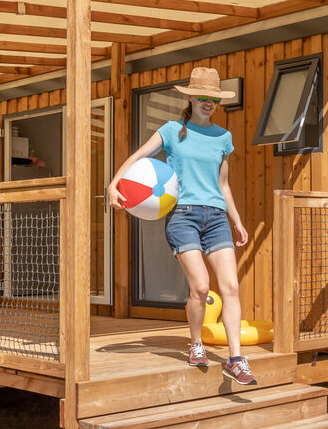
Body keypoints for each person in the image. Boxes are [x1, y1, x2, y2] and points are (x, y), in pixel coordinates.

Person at [108, 66, 256, 384]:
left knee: (231, 287)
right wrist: (113, 183)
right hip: (183, 217)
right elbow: (137, 157)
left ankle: (235, 359)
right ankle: (196, 343)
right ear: (190, 98)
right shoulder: (172, 130)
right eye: (202, 97)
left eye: (214, 99)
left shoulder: (224, 137)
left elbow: (223, 184)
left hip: (216, 218)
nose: (208, 103)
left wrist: (237, 220)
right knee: (200, 287)